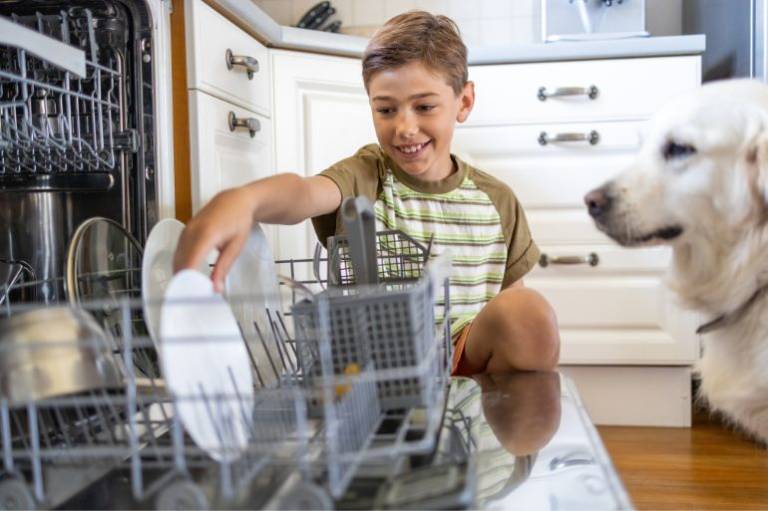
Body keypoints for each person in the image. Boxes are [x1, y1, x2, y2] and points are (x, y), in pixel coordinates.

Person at [173, 10, 560, 375]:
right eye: (386, 110)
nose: (405, 128)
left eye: (424, 106)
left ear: (465, 101)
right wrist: (245, 199)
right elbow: (304, 193)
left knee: (530, 317)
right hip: (376, 368)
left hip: (461, 359)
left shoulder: (497, 201)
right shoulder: (367, 175)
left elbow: (512, 311)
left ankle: (494, 436)